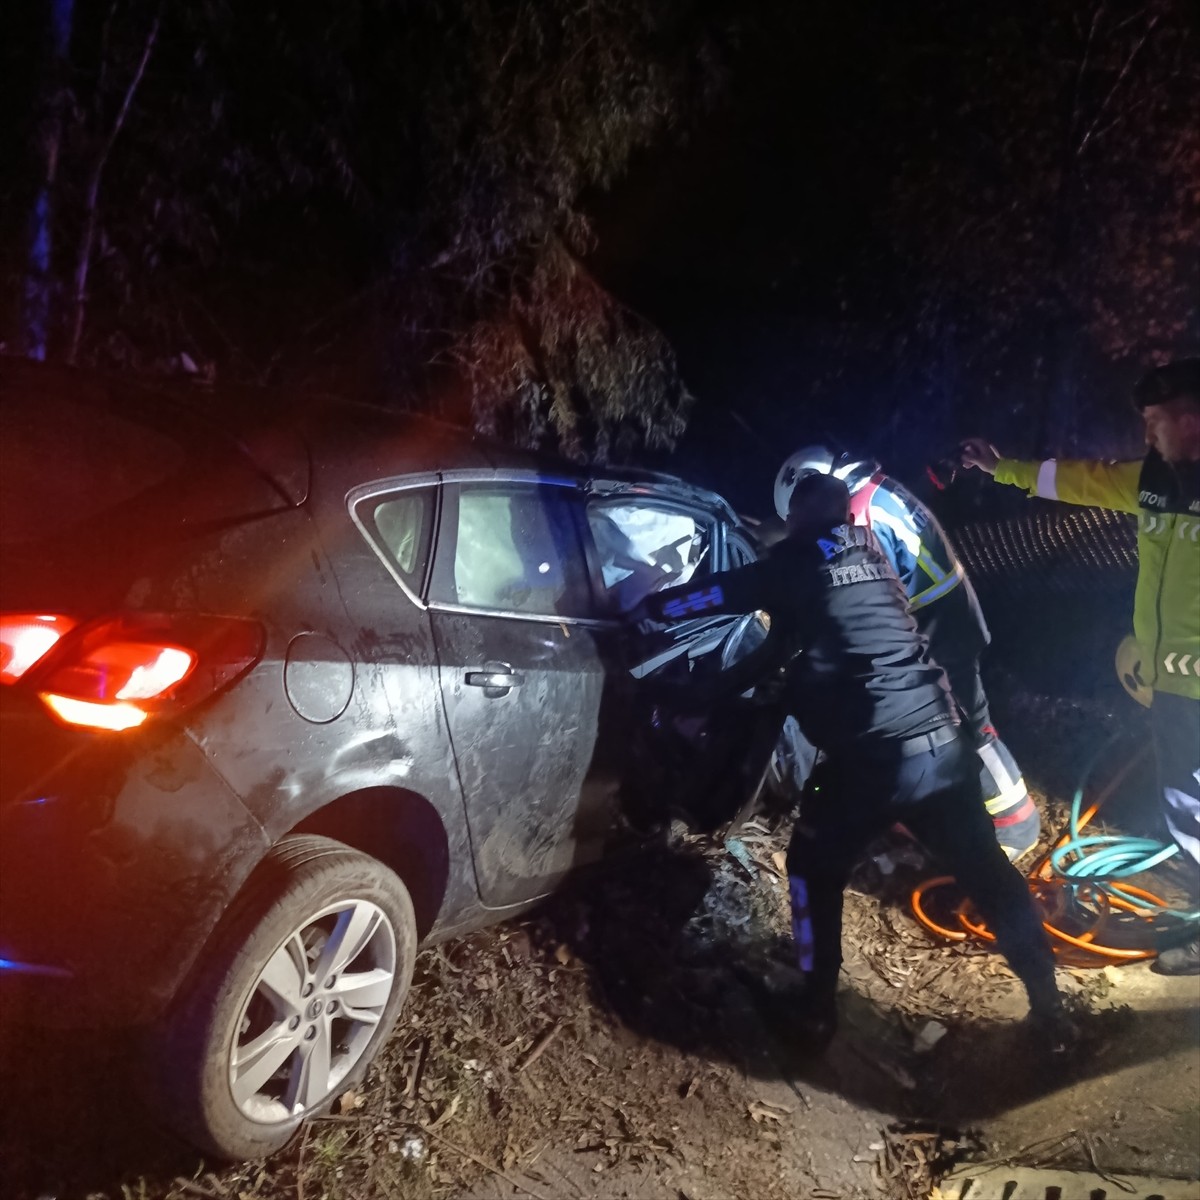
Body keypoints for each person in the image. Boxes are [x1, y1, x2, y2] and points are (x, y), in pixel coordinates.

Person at [635, 472, 1067, 1045]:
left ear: (797, 519)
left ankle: (813, 1009)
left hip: (871, 759)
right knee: (989, 874)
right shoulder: (871, 558)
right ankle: (1052, 1011)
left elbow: (715, 595)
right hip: (942, 741)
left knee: (813, 869)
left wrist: (649, 609)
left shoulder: (794, 563)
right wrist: (697, 695)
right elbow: (780, 652)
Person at [961, 358, 1200, 975]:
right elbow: (1080, 480)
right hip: (1174, 692)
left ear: (1192, 418)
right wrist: (1000, 469)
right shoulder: (1157, 480)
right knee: (1189, 811)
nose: (1147, 436)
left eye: (1156, 423)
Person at [772, 447, 1040, 861]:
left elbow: (860, 583)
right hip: (945, 615)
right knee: (959, 722)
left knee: (970, 724)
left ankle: (1016, 829)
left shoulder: (859, 513)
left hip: (937, 624)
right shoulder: (873, 490)